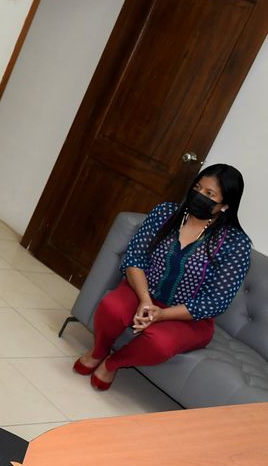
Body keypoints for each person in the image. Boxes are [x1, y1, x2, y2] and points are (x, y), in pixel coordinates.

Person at [74, 164, 252, 390]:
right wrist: (145, 300)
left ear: (225, 205)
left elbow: (214, 302)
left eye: (209, 194)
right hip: (143, 290)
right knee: (112, 308)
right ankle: (99, 351)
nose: (199, 195)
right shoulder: (166, 213)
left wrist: (162, 314)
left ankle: (112, 363)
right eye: (197, 188)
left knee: (160, 343)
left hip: (189, 316)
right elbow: (135, 257)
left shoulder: (236, 244)